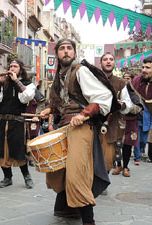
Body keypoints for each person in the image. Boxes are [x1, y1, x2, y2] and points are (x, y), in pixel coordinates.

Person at [40, 39, 119, 225]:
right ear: (57, 53)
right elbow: (62, 102)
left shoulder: (80, 71)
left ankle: (88, 220)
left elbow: (103, 96)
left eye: (69, 48)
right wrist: (50, 109)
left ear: (74, 52)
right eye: (62, 49)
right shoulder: (59, 75)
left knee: (77, 173)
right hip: (65, 127)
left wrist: (84, 114)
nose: (66, 52)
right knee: (57, 170)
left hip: (82, 127)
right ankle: (67, 209)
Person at [0, 58, 36, 189]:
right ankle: (7, 177)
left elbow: (26, 98)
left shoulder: (28, 83)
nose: (12, 68)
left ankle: (27, 176)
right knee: (1, 151)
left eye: (15, 66)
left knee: (19, 150)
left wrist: (16, 80)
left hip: (17, 123)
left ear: (20, 69)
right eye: (10, 66)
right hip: (3, 121)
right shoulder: (4, 83)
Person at [98, 53, 132, 178]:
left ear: (114, 63)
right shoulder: (93, 79)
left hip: (111, 125)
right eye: (105, 59)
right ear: (100, 63)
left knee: (108, 158)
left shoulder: (120, 82)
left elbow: (127, 103)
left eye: (111, 59)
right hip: (93, 122)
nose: (108, 61)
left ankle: (103, 180)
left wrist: (120, 105)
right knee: (92, 155)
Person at [112, 72, 143, 177]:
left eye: (128, 78)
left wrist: (127, 107)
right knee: (117, 145)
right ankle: (118, 165)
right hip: (119, 121)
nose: (126, 80)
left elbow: (139, 108)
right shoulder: (119, 91)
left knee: (127, 146)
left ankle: (125, 167)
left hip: (131, 122)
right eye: (124, 78)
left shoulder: (136, 92)